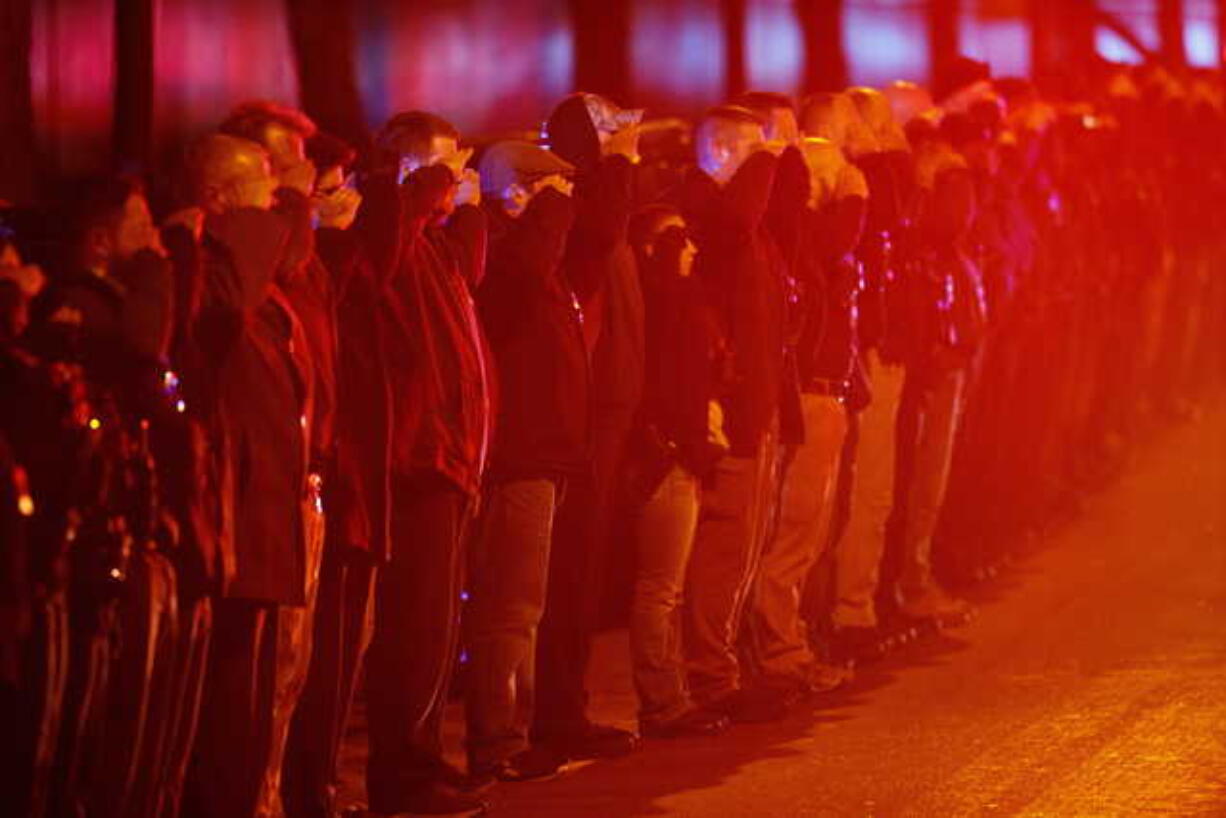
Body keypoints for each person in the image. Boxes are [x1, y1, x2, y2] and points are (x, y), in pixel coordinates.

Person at [175, 132, 321, 818]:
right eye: (263, 188)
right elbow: (223, 311)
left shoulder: (250, 278)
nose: (278, 204)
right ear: (221, 201)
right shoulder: (203, 270)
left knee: (260, 692)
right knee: (227, 699)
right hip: (231, 514)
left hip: (264, 510)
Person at [360, 111, 491, 817]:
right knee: (411, 631)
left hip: (451, 460)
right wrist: (423, 189)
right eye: (445, 171)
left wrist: (462, 210)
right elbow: (386, 249)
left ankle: (425, 760)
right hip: (418, 464)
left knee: (438, 630)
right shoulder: (389, 234)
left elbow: (474, 266)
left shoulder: (434, 246)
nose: (458, 185)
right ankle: (402, 777)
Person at [464, 140, 587, 785]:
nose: (564, 202)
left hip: (545, 454)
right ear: (517, 189)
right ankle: (496, 740)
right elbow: (515, 297)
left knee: (525, 608)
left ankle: (513, 730)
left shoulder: (534, 252)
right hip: (517, 458)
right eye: (550, 188)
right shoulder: (504, 254)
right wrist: (542, 219)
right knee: (507, 609)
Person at [531, 92, 644, 763]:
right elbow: (599, 235)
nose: (621, 140)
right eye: (605, 130)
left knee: (584, 572)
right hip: (577, 417)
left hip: (607, 413)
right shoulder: (577, 208)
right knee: (562, 575)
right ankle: (550, 717)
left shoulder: (603, 205)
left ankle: (566, 707)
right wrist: (617, 163)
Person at [744, 136, 868, 696]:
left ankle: (790, 642)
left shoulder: (802, 243)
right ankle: (779, 651)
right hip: (808, 398)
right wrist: (854, 194)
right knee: (790, 535)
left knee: (807, 535)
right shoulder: (798, 237)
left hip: (827, 394)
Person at [680, 104, 789, 722]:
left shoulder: (746, 221)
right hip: (725, 407)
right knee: (721, 548)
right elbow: (736, 223)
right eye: (756, 153)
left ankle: (729, 662)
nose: (768, 166)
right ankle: (709, 674)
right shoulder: (703, 210)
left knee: (745, 545)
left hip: (758, 400)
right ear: (721, 153)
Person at [625, 204, 729, 738]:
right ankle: (661, 700)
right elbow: (663, 381)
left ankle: (671, 693)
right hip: (665, 457)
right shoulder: (656, 304)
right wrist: (675, 446)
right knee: (659, 586)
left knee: (672, 586)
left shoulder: (686, 303)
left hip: (685, 453)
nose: (690, 247)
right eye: (676, 238)